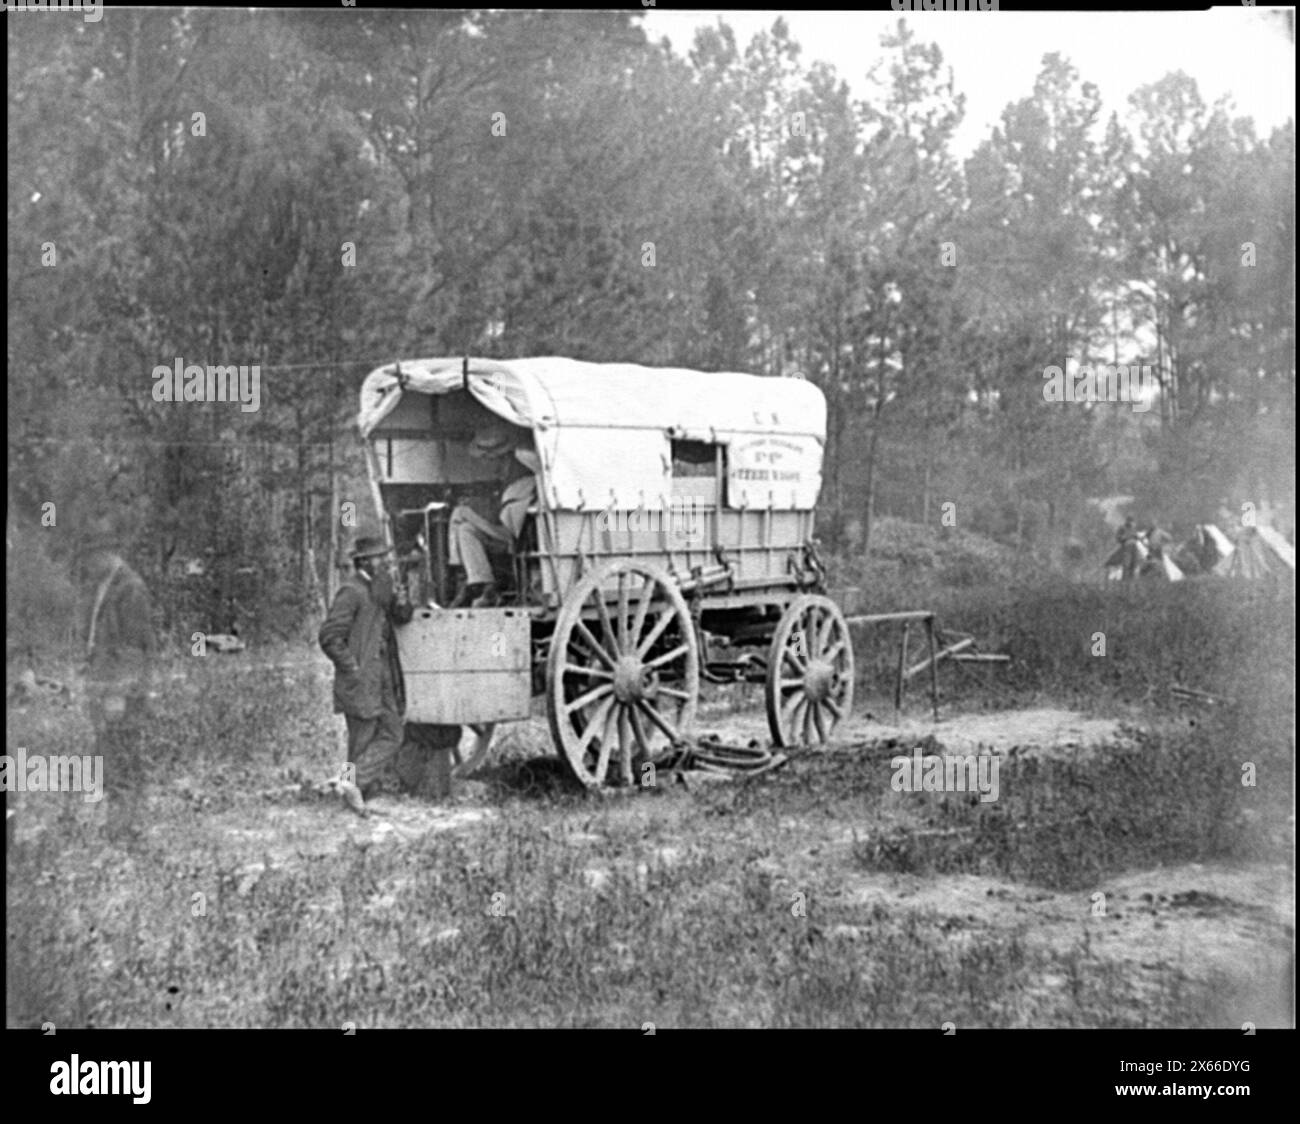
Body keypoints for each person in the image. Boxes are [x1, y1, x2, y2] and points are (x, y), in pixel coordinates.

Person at [318, 535, 414, 814]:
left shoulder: (379, 587)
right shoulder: (352, 590)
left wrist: (401, 600)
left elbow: (402, 616)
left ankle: (350, 783)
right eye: (378, 557)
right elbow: (329, 636)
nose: (384, 561)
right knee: (360, 739)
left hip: (382, 674)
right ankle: (353, 792)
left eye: (385, 556)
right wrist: (352, 666)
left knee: (393, 733)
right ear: (363, 562)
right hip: (361, 677)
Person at [80, 539, 157, 840]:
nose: (86, 566)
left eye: (89, 557)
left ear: (105, 553)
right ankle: (120, 826)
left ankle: (126, 830)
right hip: (108, 690)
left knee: (123, 760)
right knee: (110, 760)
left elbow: (133, 649)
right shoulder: (107, 584)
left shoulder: (130, 588)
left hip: (123, 696)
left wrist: (117, 695)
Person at [448, 424, 539, 607]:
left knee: (460, 514)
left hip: (518, 536)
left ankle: (460, 573)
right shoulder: (507, 477)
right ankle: (483, 583)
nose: (488, 462)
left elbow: (512, 526)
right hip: (507, 533)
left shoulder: (524, 473)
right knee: (465, 528)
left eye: (491, 457)